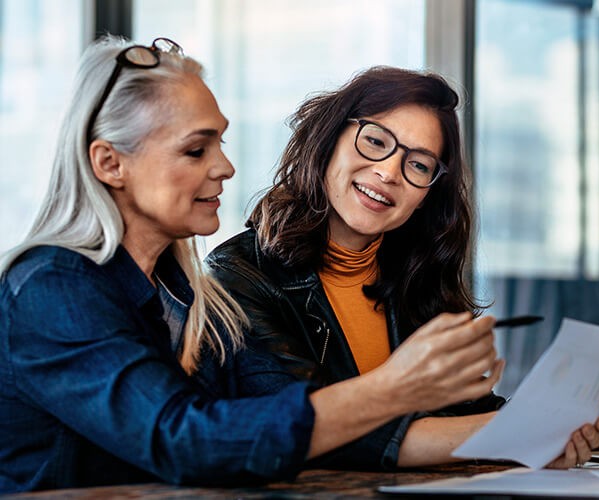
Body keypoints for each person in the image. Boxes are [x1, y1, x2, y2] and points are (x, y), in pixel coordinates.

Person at [0, 38, 513, 493]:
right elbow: (188, 440)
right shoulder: (51, 287)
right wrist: (394, 388)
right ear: (110, 163)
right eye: (196, 150)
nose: (225, 167)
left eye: (219, 143)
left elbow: (255, 424)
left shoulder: (182, 294)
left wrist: (532, 431)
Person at [206, 66, 599, 469]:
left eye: (419, 165)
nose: (389, 172)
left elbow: (472, 416)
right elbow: (313, 431)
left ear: (427, 194)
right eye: (375, 141)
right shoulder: (238, 276)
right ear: (329, 139)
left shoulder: (413, 278)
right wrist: (526, 432)